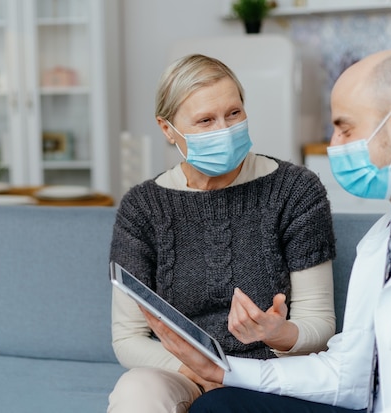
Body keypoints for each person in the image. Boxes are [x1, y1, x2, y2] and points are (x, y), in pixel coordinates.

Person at [142, 49, 391, 413]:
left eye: (345, 127)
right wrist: (224, 370)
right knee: (222, 405)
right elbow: (349, 376)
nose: (334, 145)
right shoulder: (382, 240)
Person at [107, 54, 339, 413]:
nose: (225, 129)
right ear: (168, 129)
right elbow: (128, 339)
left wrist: (276, 333)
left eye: (234, 113)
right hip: (186, 372)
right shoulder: (142, 208)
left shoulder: (296, 190)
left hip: (270, 371)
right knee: (136, 391)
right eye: (205, 120)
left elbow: (319, 325)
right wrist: (200, 369)